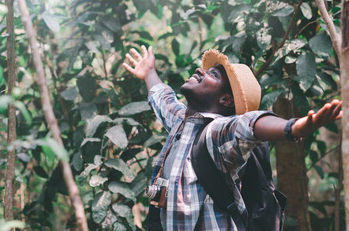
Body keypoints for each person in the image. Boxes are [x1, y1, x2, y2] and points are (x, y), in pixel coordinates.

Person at [123, 45, 342, 231]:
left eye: (214, 75)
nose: (200, 70)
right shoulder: (181, 121)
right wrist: (149, 71)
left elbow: (249, 125)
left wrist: (293, 127)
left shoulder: (217, 133)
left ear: (226, 99)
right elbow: (162, 98)